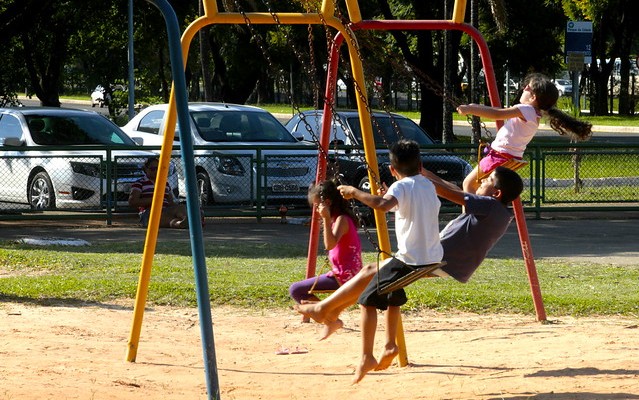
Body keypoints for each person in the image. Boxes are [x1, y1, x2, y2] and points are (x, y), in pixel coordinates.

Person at [295, 165, 524, 383]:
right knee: (377, 274)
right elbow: (457, 187)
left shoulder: (490, 207)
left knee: (372, 278)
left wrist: (416, 176)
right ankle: (333, 312)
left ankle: (326, 310)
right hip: (440, 258)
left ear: (497, 193)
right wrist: (423, 173)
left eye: (488, 180)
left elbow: (446, 191)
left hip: (436, 259)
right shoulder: (496, 211)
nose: (482, 180)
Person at [336, 139, 444, 384]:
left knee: (365, 300)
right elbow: (406, 205)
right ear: (421, 165)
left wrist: (354, 192)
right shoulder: (428, 185)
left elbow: (383, 206)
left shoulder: (401, 187)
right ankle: (390, 345)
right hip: (432, 258)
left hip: (411, 260)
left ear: (393, 170)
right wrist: (390, 195)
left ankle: (366, 357)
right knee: (392, 293)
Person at [458, 72, 592, 194]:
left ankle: (470, 217)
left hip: (498, 156)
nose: (524, 88)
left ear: (533, 97)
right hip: (508, 158)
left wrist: (470, 108)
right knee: (484, 192)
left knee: (468, 185)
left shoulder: (526, 110)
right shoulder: (535, 116)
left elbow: (497, 113)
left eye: (528, 87)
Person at [288, 180, 363, 304]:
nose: (316, 210)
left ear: (327, 203)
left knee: (296, 289)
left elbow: (330, 245)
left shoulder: (342, 220)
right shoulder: (339, 219)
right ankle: (327, 314)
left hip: (346, 276)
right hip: (340, 274)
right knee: (298, 291)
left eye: (317, 206)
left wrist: (326, 218)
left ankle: (327, 316)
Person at [128, 157, 189, 229]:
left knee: (180, 208)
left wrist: (179, 207)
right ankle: (180, 224)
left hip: (165, 210)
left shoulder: (164, 183)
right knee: (162, 218)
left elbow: (170, 202)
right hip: (149, 212)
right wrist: (154, 200)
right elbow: (132, 201)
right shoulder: (139, 183)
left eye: (158, 168)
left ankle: (186, 220)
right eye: (152, 169)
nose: (156, 171)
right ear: (145, 170)